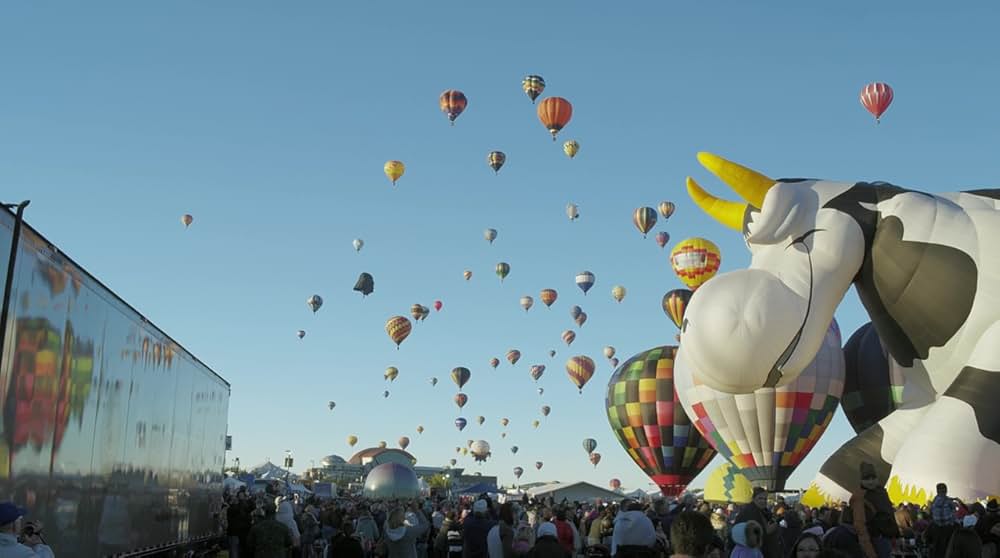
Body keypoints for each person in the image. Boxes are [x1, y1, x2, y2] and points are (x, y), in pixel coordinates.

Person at [849, 462, 898, 558]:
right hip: (875, 541)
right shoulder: (860, 497)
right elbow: (860, 526)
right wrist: (870, 552)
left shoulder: (882, 492)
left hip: (888, 539)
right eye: (867, 479)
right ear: (861, 480)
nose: (870, 482)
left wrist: (896, 536)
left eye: (873, 478)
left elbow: (890, 514)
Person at [733, 489, 781, 558]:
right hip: (749, 551)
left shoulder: (760, 511)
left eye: (765, 499)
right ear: (753, 499)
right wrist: (772, 527)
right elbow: (759, 533)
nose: (763, 501)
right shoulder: (751, 512)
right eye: (760, 498)